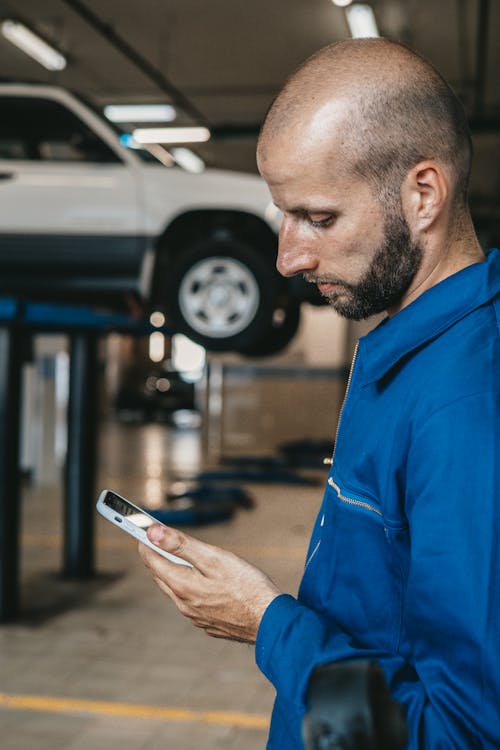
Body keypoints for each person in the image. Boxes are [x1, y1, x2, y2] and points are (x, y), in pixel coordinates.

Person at [139, 38, 500, 749]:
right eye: (284, 214)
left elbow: (467, 734)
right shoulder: (408, 348)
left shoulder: (465, 409)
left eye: (319, 218)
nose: (288, 256)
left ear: (423, 194)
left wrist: (267, 622)